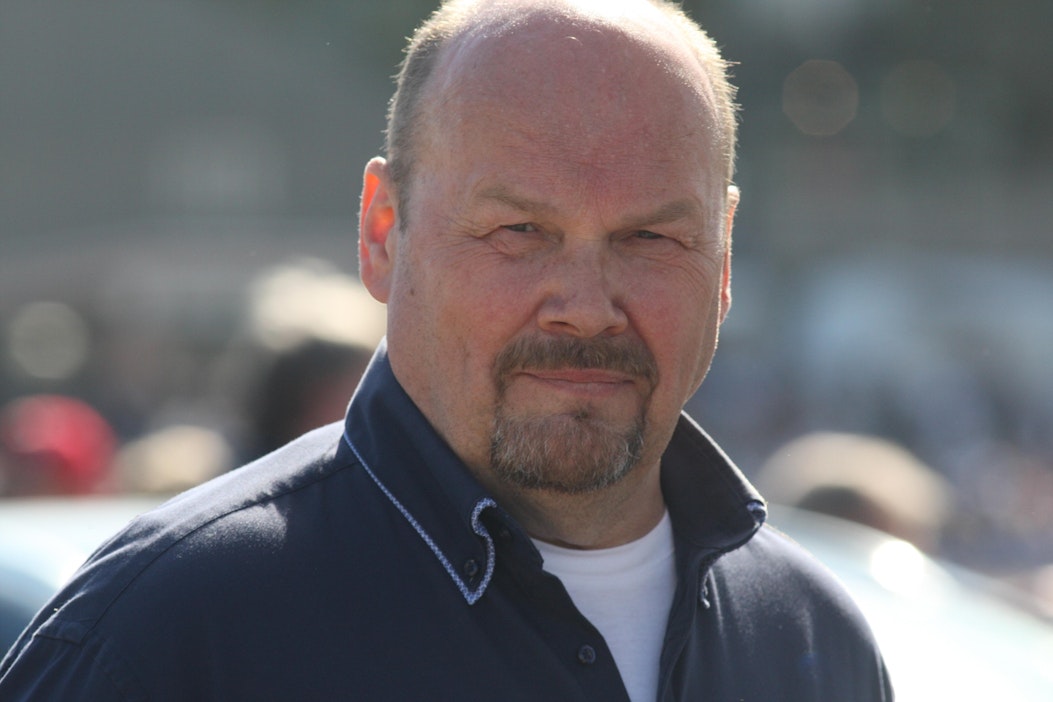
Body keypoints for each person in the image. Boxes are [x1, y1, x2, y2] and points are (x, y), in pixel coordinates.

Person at [0, 1, 893, 699]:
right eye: (519, 231)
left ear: (723, 258)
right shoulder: (170, 635)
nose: (586, 308)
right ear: (383, 232)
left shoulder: (815, 645)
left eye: (650, 238)